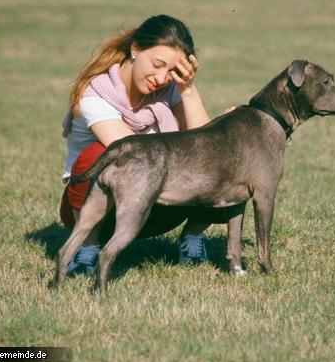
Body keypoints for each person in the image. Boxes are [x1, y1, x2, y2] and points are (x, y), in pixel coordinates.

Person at [60, 14, 225, 276]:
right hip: (102, 211)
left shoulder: (171, 89)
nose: (161, 78)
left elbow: (209, 147)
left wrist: (189, 91)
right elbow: (132, 153)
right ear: (136, 49)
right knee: (98, 155)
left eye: (172, 71)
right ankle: (88, 247)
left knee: (226, 150)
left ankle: (192, 237)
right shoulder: (95, 96)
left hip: (158, 206)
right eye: (157, 64)